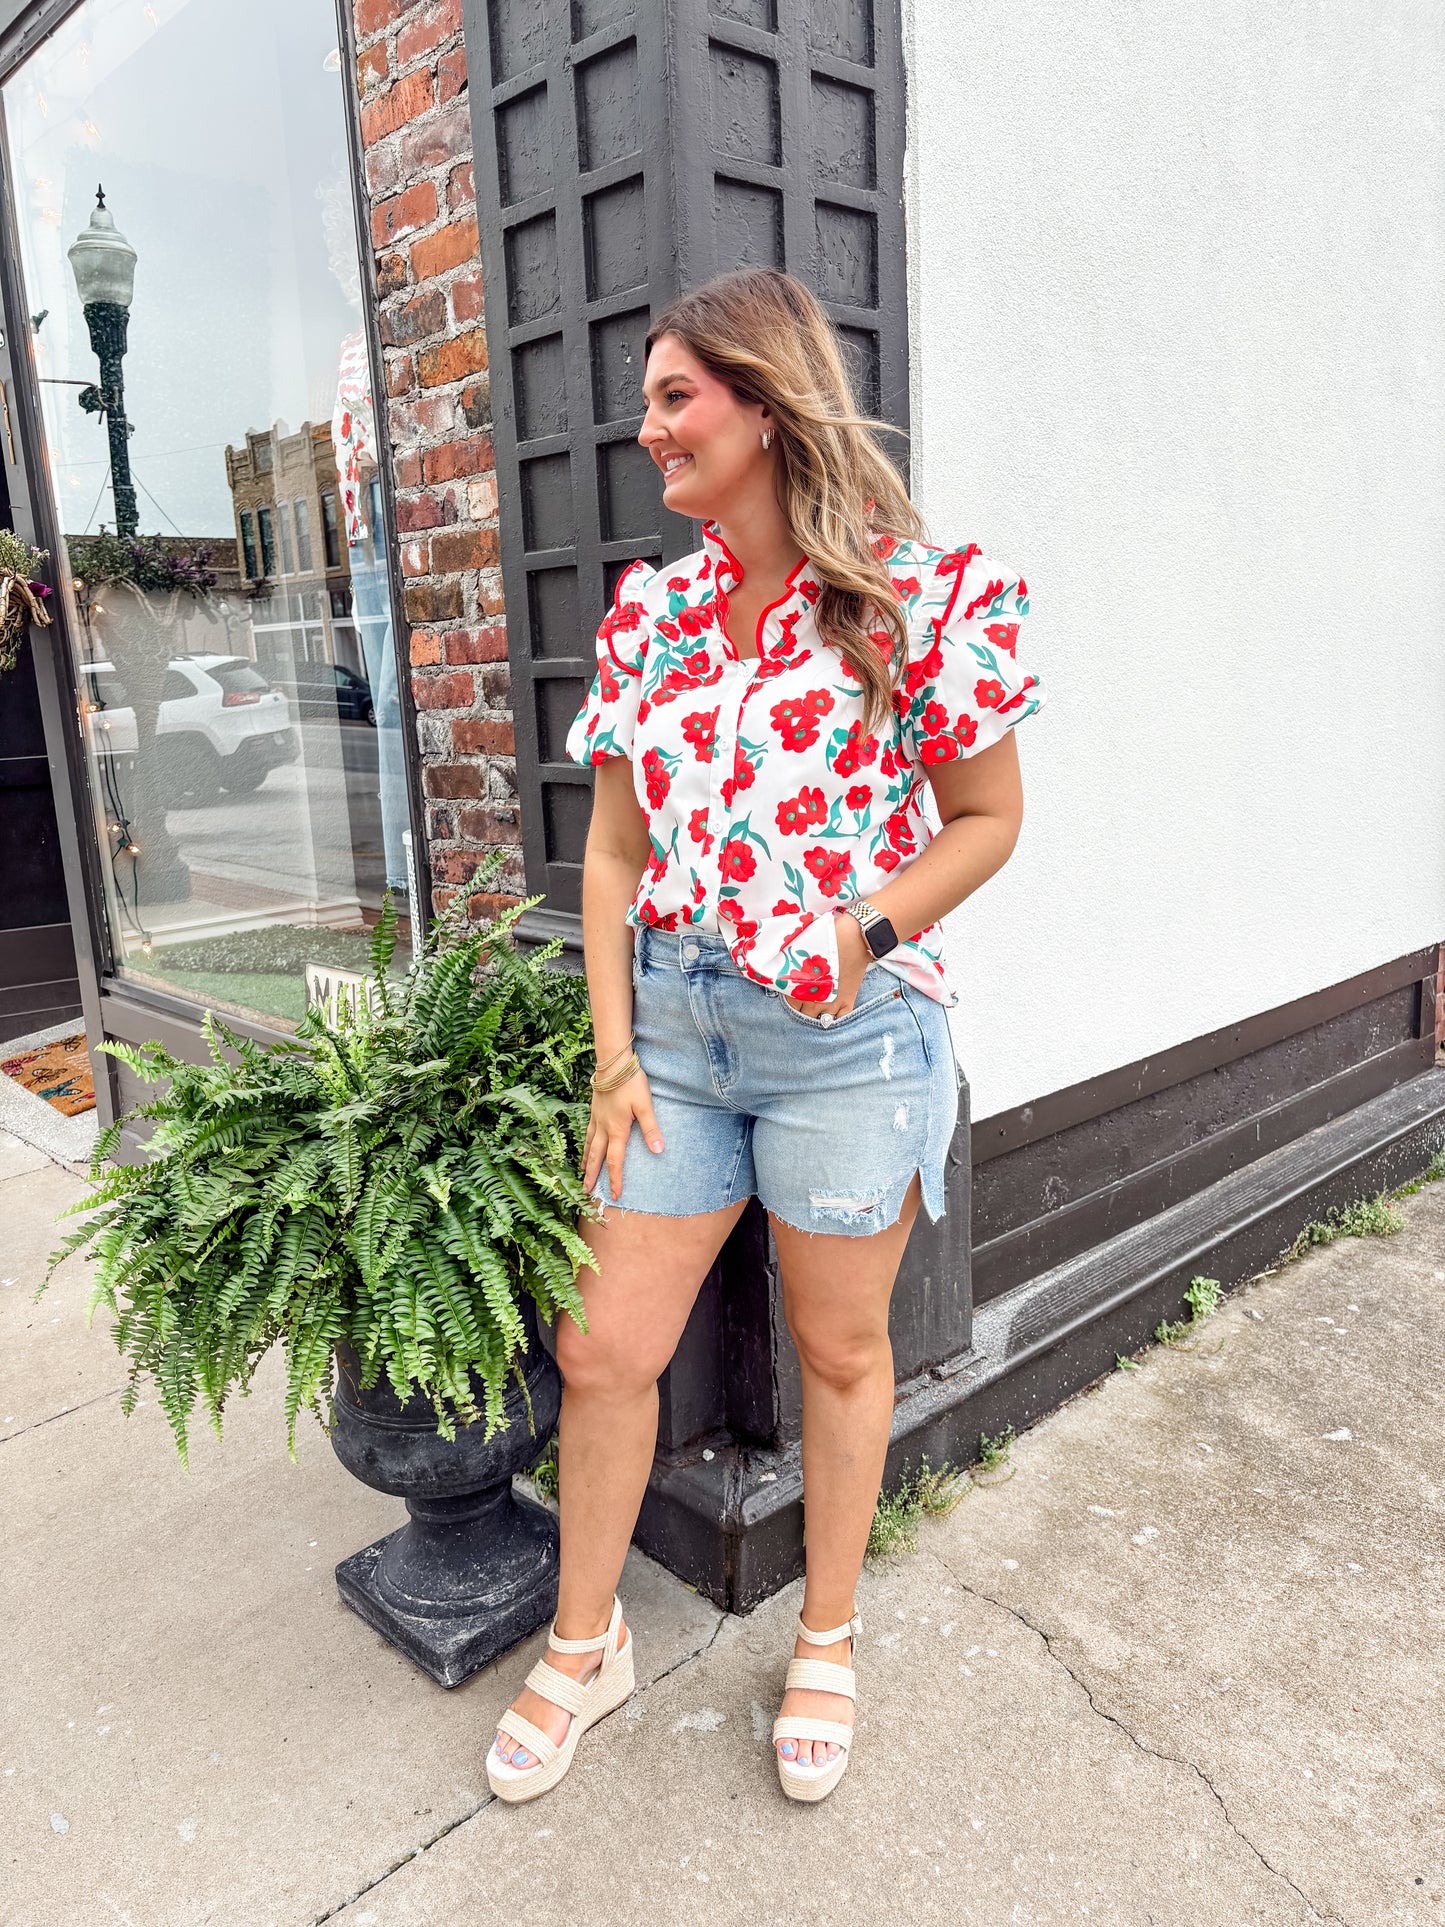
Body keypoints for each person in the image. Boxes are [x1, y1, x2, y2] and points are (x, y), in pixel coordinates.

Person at [487, 267, 1046, 1806]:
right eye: (648, 399)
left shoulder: (916, 598)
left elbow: (986, 819)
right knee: (603, 1348)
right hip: (673, 1030)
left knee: (839, 1350)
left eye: (675, 395)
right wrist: (612, 1053)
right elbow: (613, 854)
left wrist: (856, 933)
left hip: (848, 1040)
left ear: (765, 400)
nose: (647, 426)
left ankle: (827, 1635)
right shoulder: (651, 617)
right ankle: (587, 1640)